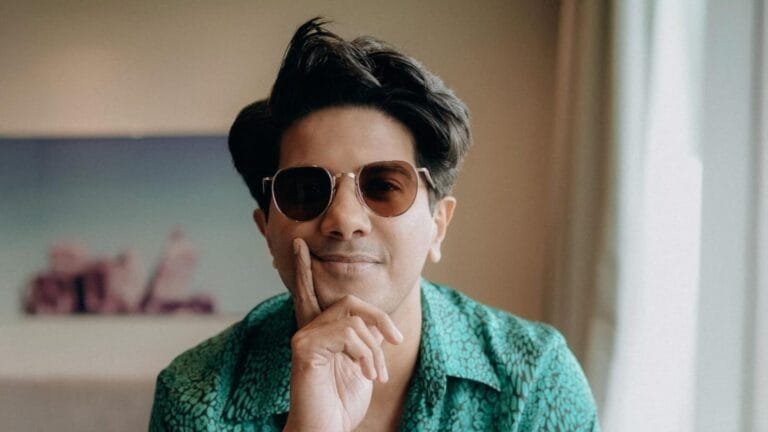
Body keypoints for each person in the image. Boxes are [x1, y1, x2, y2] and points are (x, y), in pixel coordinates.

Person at [149, 17, 599, 431]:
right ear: (266, 230)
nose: (344, 220)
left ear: (438, 225)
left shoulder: (535, 378)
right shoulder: (195, 398)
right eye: (305, 190)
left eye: (383, 186)